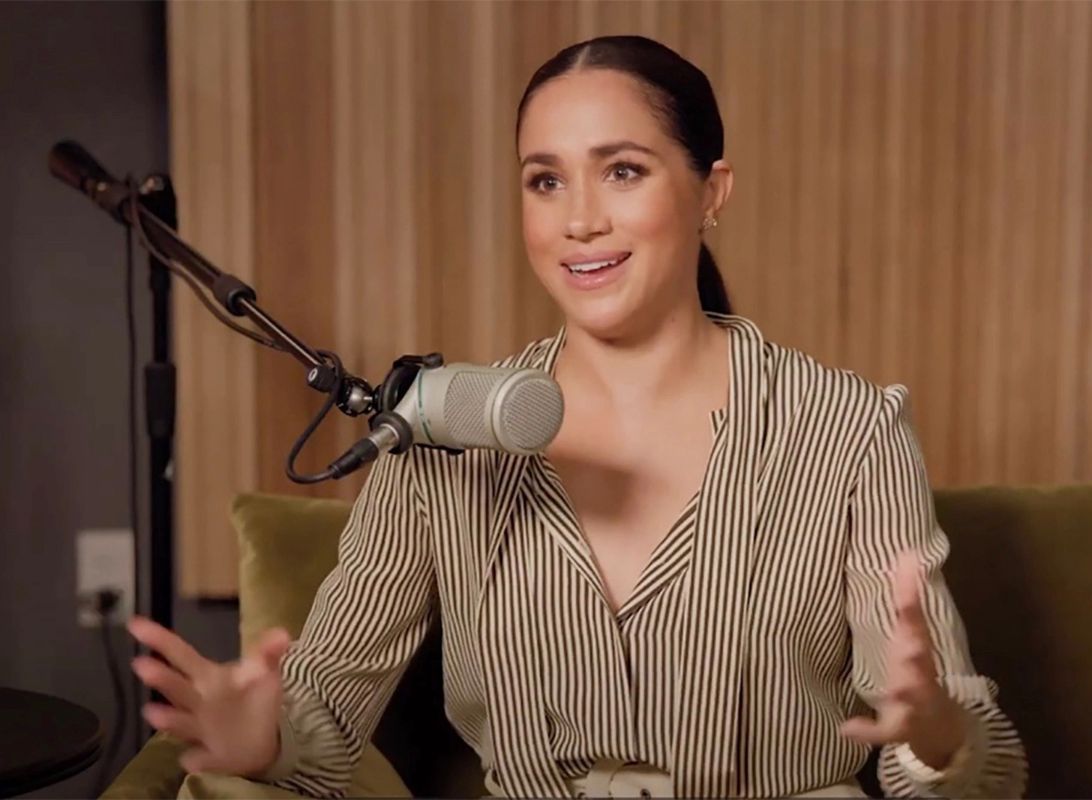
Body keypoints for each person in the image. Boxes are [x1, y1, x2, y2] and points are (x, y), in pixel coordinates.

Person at [127, 35, 1028, 799]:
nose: (580, 220)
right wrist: (266, 740)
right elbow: (323, 718)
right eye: (546, 181)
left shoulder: (849, 430)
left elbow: (976, 762)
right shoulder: (438, 431)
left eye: (623, 171)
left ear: (711, 191)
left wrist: (938, 736)